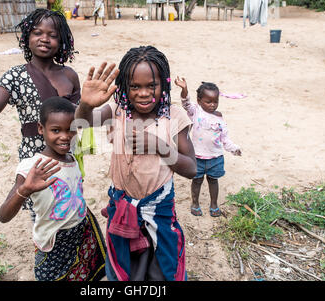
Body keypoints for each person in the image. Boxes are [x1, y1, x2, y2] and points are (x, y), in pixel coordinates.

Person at [75, 46, 197, 281]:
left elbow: (191, 168)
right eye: (135, 86)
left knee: (160, 270)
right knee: (125, 270)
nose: (143, 93)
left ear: (164, 84)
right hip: (122, 207)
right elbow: (81, 122)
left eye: (152, 85)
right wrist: (86, 105)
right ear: (124, 87)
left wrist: (159, 146)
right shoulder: (116, 111)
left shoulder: (174, 117)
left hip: (158, 212)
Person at [0, 9, 80, 220]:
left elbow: (80, 118)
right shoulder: (16, 76)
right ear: (27, 37)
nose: (44, 39)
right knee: (42, 212)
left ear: (62, 40)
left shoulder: (69, 75)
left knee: (68, 207)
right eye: (37, 33)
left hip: (66, 153)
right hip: (35, 159)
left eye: (52, 35)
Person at [0, 97, 107, 281]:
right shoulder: (32, 167)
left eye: (71, 129)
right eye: (56, 130)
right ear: (41, 129)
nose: (65, 136)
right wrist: (25, 190)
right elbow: (3, 215)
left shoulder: (72, 158)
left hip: (80, 233)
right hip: (54, 243)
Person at [174, 77, 242, 217]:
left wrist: (234, 148)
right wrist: (184, 89)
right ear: (199, 101)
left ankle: (214, 204)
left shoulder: (219, 117)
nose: (212, 105)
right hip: (197, 157)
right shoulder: (196, 111)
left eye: (215, 101)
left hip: (215, 157)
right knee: (197, 181)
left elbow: (224, 138)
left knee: (213, 181)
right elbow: (186, 103)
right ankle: (195, 203)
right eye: (208, 101)